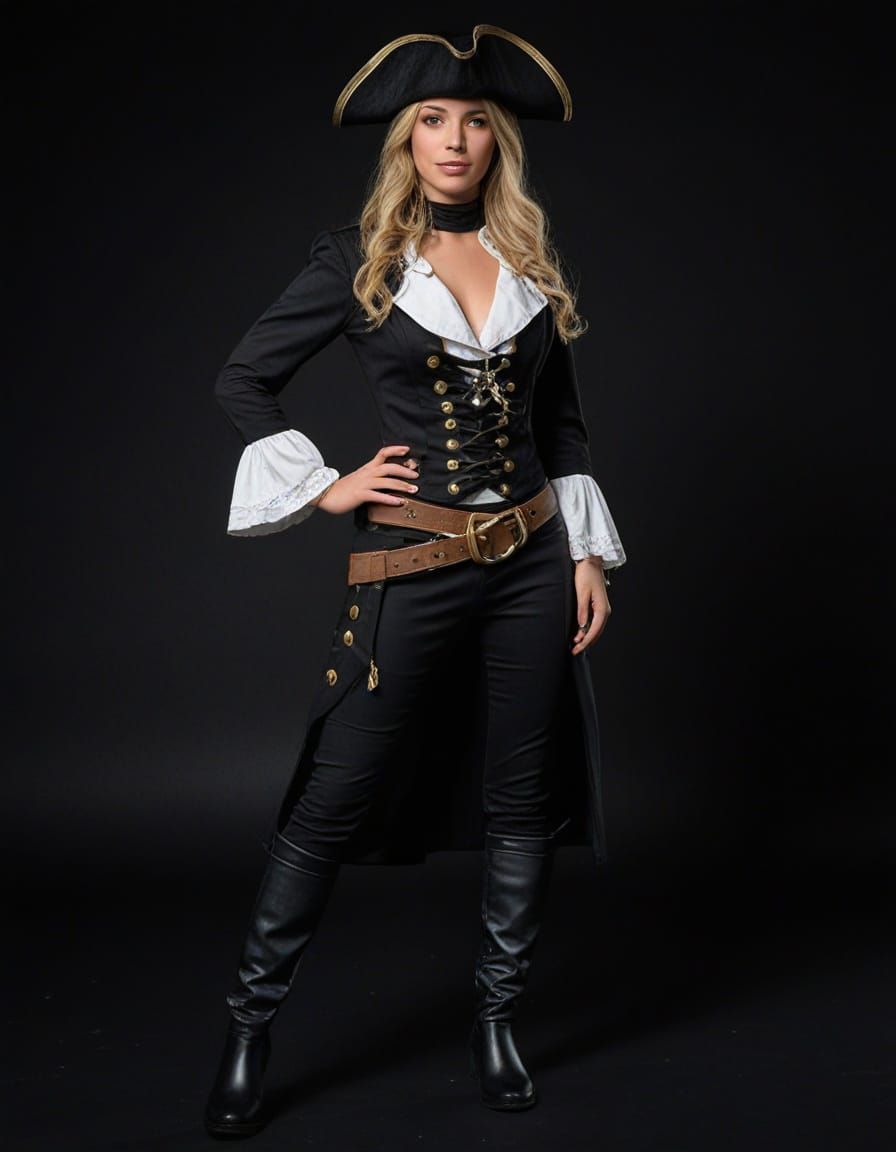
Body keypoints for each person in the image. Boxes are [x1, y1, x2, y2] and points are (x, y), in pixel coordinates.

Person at [204, 24, 627, 1139]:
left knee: (521, 794)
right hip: (415, 564)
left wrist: (583, 553)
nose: (454, 139)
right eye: (433, 120)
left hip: (532, 563)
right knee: (335, 787)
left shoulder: (529, 262)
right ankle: (249, 1028)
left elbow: (561, 425)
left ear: (498, 143)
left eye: (475, 121)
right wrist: (327, 488)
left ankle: (496, 1019)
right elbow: (244, 378)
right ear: (405, 140)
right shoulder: (358, 262)